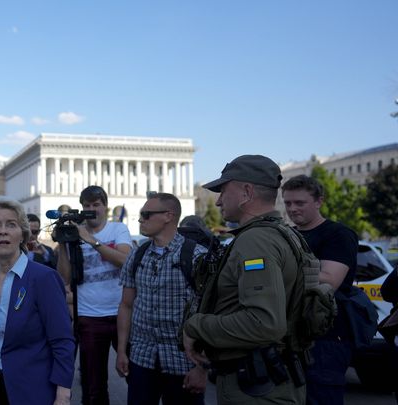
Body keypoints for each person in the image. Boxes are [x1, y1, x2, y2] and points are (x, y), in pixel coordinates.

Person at [182, 154, 305, 404]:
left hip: (257, 387)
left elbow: (264, 323)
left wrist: (195, 325)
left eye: (223, 191)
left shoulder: (256, 241)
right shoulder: (279, 234)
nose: (217, 202)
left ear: (247, 192)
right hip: (266, 380)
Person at [0, 196, 74, 405]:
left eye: (11, 225)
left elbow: (62, 340)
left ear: (22, 235)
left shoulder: (43, 278)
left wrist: (63, 393)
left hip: (36, 390)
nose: (3, 231)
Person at [116, 192, 207, 404]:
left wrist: (202, 368)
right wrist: (121, 351)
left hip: (183, 363)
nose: (140, 219)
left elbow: (208, 314)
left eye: (146, 214)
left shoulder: (195, 255)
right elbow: (126, 305)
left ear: (168, 216)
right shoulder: (137, 255)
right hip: (142, 358)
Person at [281, 175, 358, 405]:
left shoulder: (338, 235)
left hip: (326, 338)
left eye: (299, 203)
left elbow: (328, 281)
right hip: (290, 335)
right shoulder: (288, 235)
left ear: (319, 201)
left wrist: (276, 276)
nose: (292, 209)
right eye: (287, 203)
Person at [56, 185, 132, 405]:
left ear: (105, 207)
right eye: (87, 205)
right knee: (93, 384)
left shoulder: (117, 229)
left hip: (121, 313)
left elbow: (124, 261)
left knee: (134, 375)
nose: (91, 210)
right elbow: (66, 277)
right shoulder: (75, 233)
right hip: (89, 316)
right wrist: (63, 244)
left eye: (96, 205)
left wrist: (90, 240)